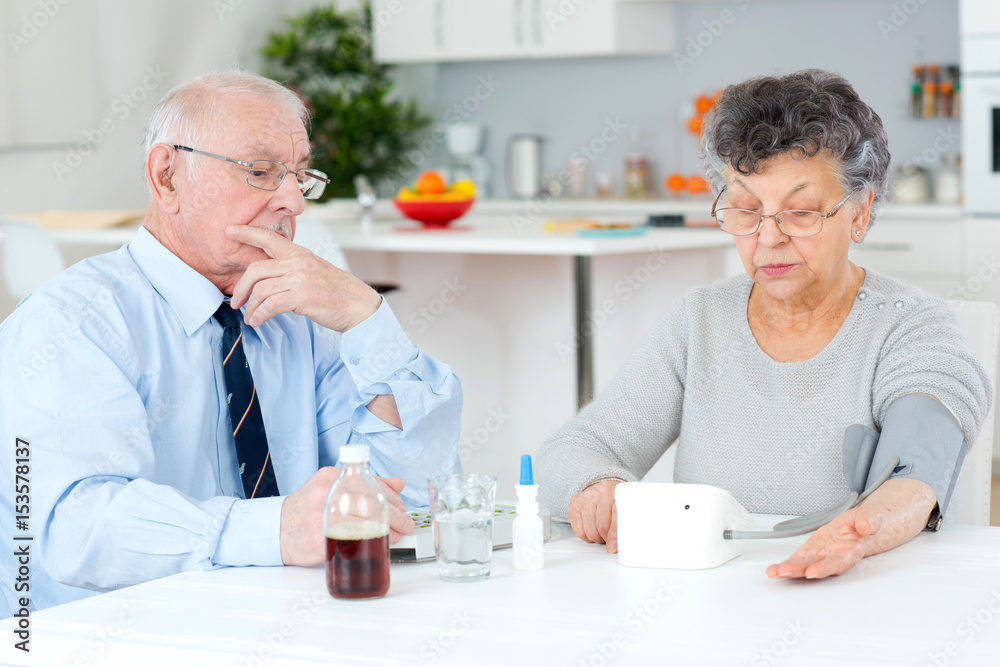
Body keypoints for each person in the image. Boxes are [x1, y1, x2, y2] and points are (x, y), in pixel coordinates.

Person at [0, 71, 462, 616]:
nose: (293, 200)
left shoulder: (301, 318)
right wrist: (274, 529)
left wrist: (368, 319)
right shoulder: (73, 324)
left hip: (287, 631)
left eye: (301, 176)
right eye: (261, 171)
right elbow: (75, 527)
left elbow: (407, 497)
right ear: (166, 176)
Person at [538, 69, 992, 579]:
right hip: (709, 599)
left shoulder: (914, 326)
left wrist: (860, 532)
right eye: (746, 210)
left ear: (860, 211)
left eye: (800, 212)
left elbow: (916, 467)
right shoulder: (700, 318)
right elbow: (573, 451)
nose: (768, 238)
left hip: (854, 593)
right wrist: (599, 488)